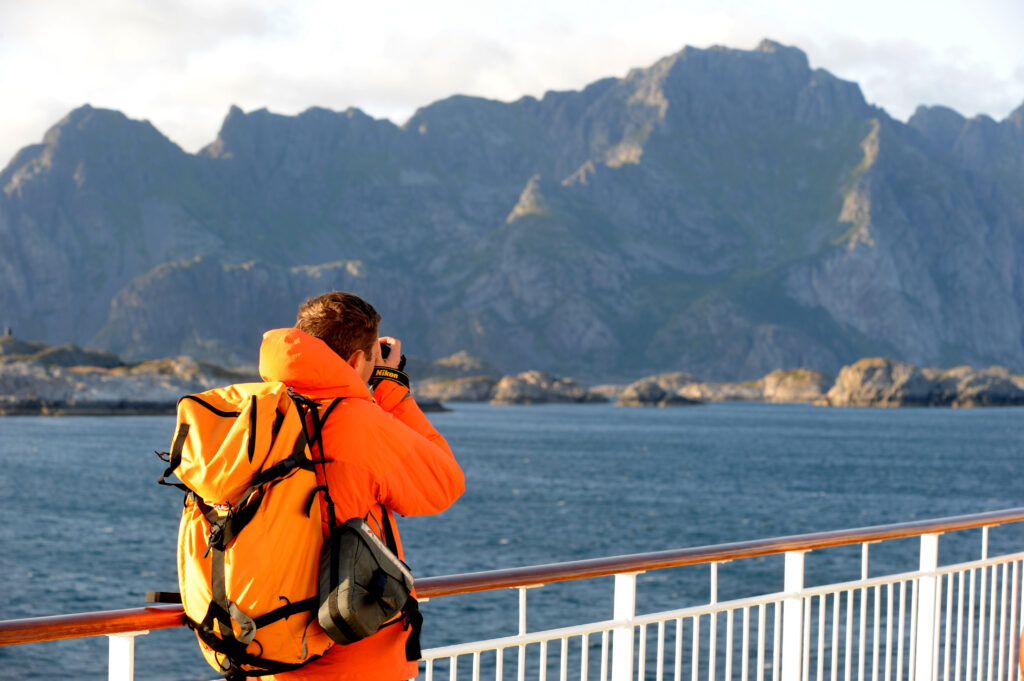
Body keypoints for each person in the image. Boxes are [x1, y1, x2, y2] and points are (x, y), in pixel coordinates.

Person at [258, 291, 465, 681]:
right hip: (351, 656)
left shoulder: (256, 414)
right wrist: (390, 384)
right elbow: (444, 482)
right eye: (373, 358)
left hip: (265, 647)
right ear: (357, 360)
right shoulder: (359, 424)